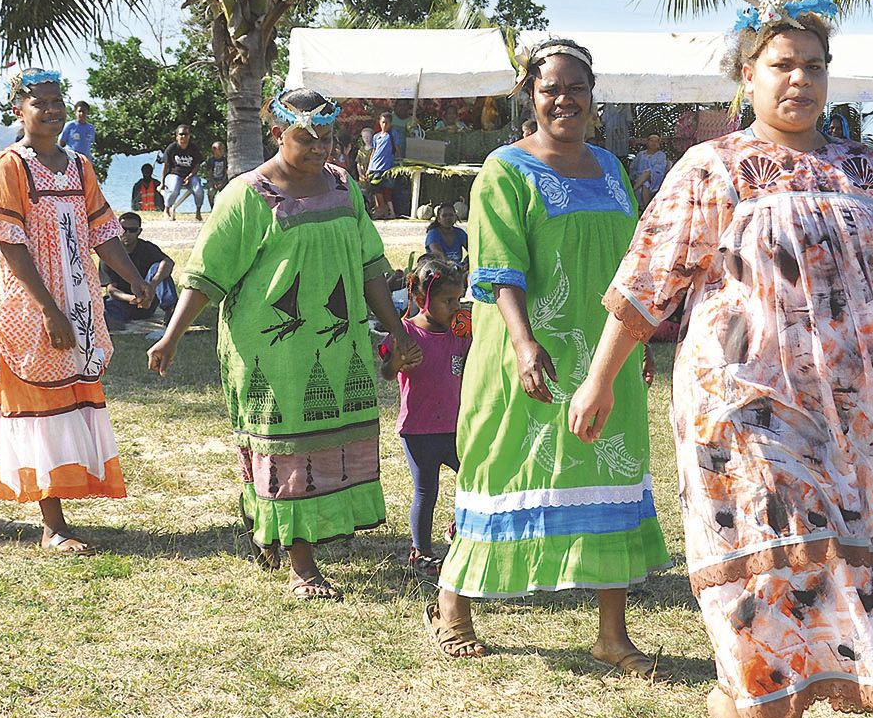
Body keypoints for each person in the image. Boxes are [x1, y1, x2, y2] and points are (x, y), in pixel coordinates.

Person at [570, 0, 873, 718]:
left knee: (824, 568)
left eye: (813, 66)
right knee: (764, 572)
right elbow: (648, 281)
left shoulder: (866, 171)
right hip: (740, 406)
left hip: (849, 414)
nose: (799, 80)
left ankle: (742, 694)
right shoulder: (713, 167)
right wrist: (600, 377)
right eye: (781, 65)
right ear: (745, 76)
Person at [428, 38, 670, 669]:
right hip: (526, 351)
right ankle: (453, 603)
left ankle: (612, 633)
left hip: (603, 357)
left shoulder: (614, 169)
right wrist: (523, 342)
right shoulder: (504, 169)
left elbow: (632, 263)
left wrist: (633, 342)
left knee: (609, 469)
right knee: (502, 465)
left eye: (576, 88)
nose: (564, 99)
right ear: (528, 96)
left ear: (594, 96)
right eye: (550, 88)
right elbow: (499, 268)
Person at [148, 88, 422, 600]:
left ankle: (274, 526)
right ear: (278, 134)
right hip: (272, 349)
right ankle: (302, 565)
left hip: (338, 344)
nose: (319, 147)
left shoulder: (344, 187)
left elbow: (370, 267)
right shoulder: (247, 194)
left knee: (328, 438)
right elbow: (207, 275)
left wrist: (398, 329)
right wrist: (171, 336)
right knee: (287, 445)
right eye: (305, 137)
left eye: (326, 137)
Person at [0, 66, 152, 553]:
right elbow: (10, 246)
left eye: (56, 102)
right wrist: (48, 310)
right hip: (28, 303)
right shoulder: (8, 167)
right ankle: (54, 524)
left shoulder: (79, 166)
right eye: (39, 103)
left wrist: (133, 279)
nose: (50, 111)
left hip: (78, 299)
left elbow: (103, 232)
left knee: (54, 400)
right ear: (17, 110)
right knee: (35, 401)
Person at [382, 258, 470, 579]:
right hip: (419, 431)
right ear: (421, 300)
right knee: (426, 490)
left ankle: (459, 526)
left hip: (455, 428)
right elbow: (386, 372)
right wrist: (397, 362)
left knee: (473, 475)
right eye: (448, 301)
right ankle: (422, 553)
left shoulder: (459, 333)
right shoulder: (405, 333)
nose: (455, 307)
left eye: (459, 299)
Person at [102, 212, 176, 326]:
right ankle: (111, 322)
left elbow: (168, 262)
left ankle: (171, 310)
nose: (127, 233)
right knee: (105, 305)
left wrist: (152, 285)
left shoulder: (147, 248)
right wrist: (133, 299)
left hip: (148, 301)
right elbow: (111, 290)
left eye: (132, 230)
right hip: (123, 302)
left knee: (158, 268)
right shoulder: (110, 254)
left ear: (139, 231)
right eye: (123, 229)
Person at [161, 124, 205, 221]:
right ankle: (166, 210)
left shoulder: (193, 148)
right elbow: (165, 166)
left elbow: (197, 164)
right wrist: (162, 183)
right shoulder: (172, 148)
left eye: (186, 134)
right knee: (173, 190)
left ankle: (198, 212)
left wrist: (190, 176)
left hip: (190, 175)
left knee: (199, 191)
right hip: (174, 174)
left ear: (189, 136)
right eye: (181, 134)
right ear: (177, 136)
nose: (183, 137)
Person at [367, 112, 399, 220]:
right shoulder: (376, 136)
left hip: (385, 167)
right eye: (382, 122)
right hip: (374, 166)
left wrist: (399, 161)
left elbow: (397, 148)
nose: (384, 125)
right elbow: (374, 151)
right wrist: (369, 167)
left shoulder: (392, 134)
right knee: (375, 190)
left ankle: (384, 209)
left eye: (387, 123)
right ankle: (380, 209)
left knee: (382, 189)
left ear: (390, 123)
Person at [629, 133, 669, 209]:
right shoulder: (641, 154)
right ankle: (646, 209)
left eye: (656, 141)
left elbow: (660, 169)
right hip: (639, 178)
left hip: (655, 178)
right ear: (647, 142)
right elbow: (633, 167)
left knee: (648, 173)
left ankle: (631, 191)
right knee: (645, 183)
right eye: (651, 140)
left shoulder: (661, 155)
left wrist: (648, 173)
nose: (653, 143)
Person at [423, 202, 468, 268]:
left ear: (455, 217)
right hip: (438, 269)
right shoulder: (433, 234)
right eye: (444, 215)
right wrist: (451, 267)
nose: (448, 218)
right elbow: (438, 254)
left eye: (451, 215)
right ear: (438, 219)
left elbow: (472, 250)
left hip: (457, 268)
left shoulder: (460, 233)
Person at [206, 139, 230, 205]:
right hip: (213, 181)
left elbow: (226, 172)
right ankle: (212, 208)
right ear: (214, 150)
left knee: (226, 194)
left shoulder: (225, 160)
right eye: (220, 149)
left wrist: (222, 182)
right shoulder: (211, 160)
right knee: (210, 192)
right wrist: (214, 183)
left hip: (223, 180)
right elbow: (210, 173)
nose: (222, 150)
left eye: (223, 148)